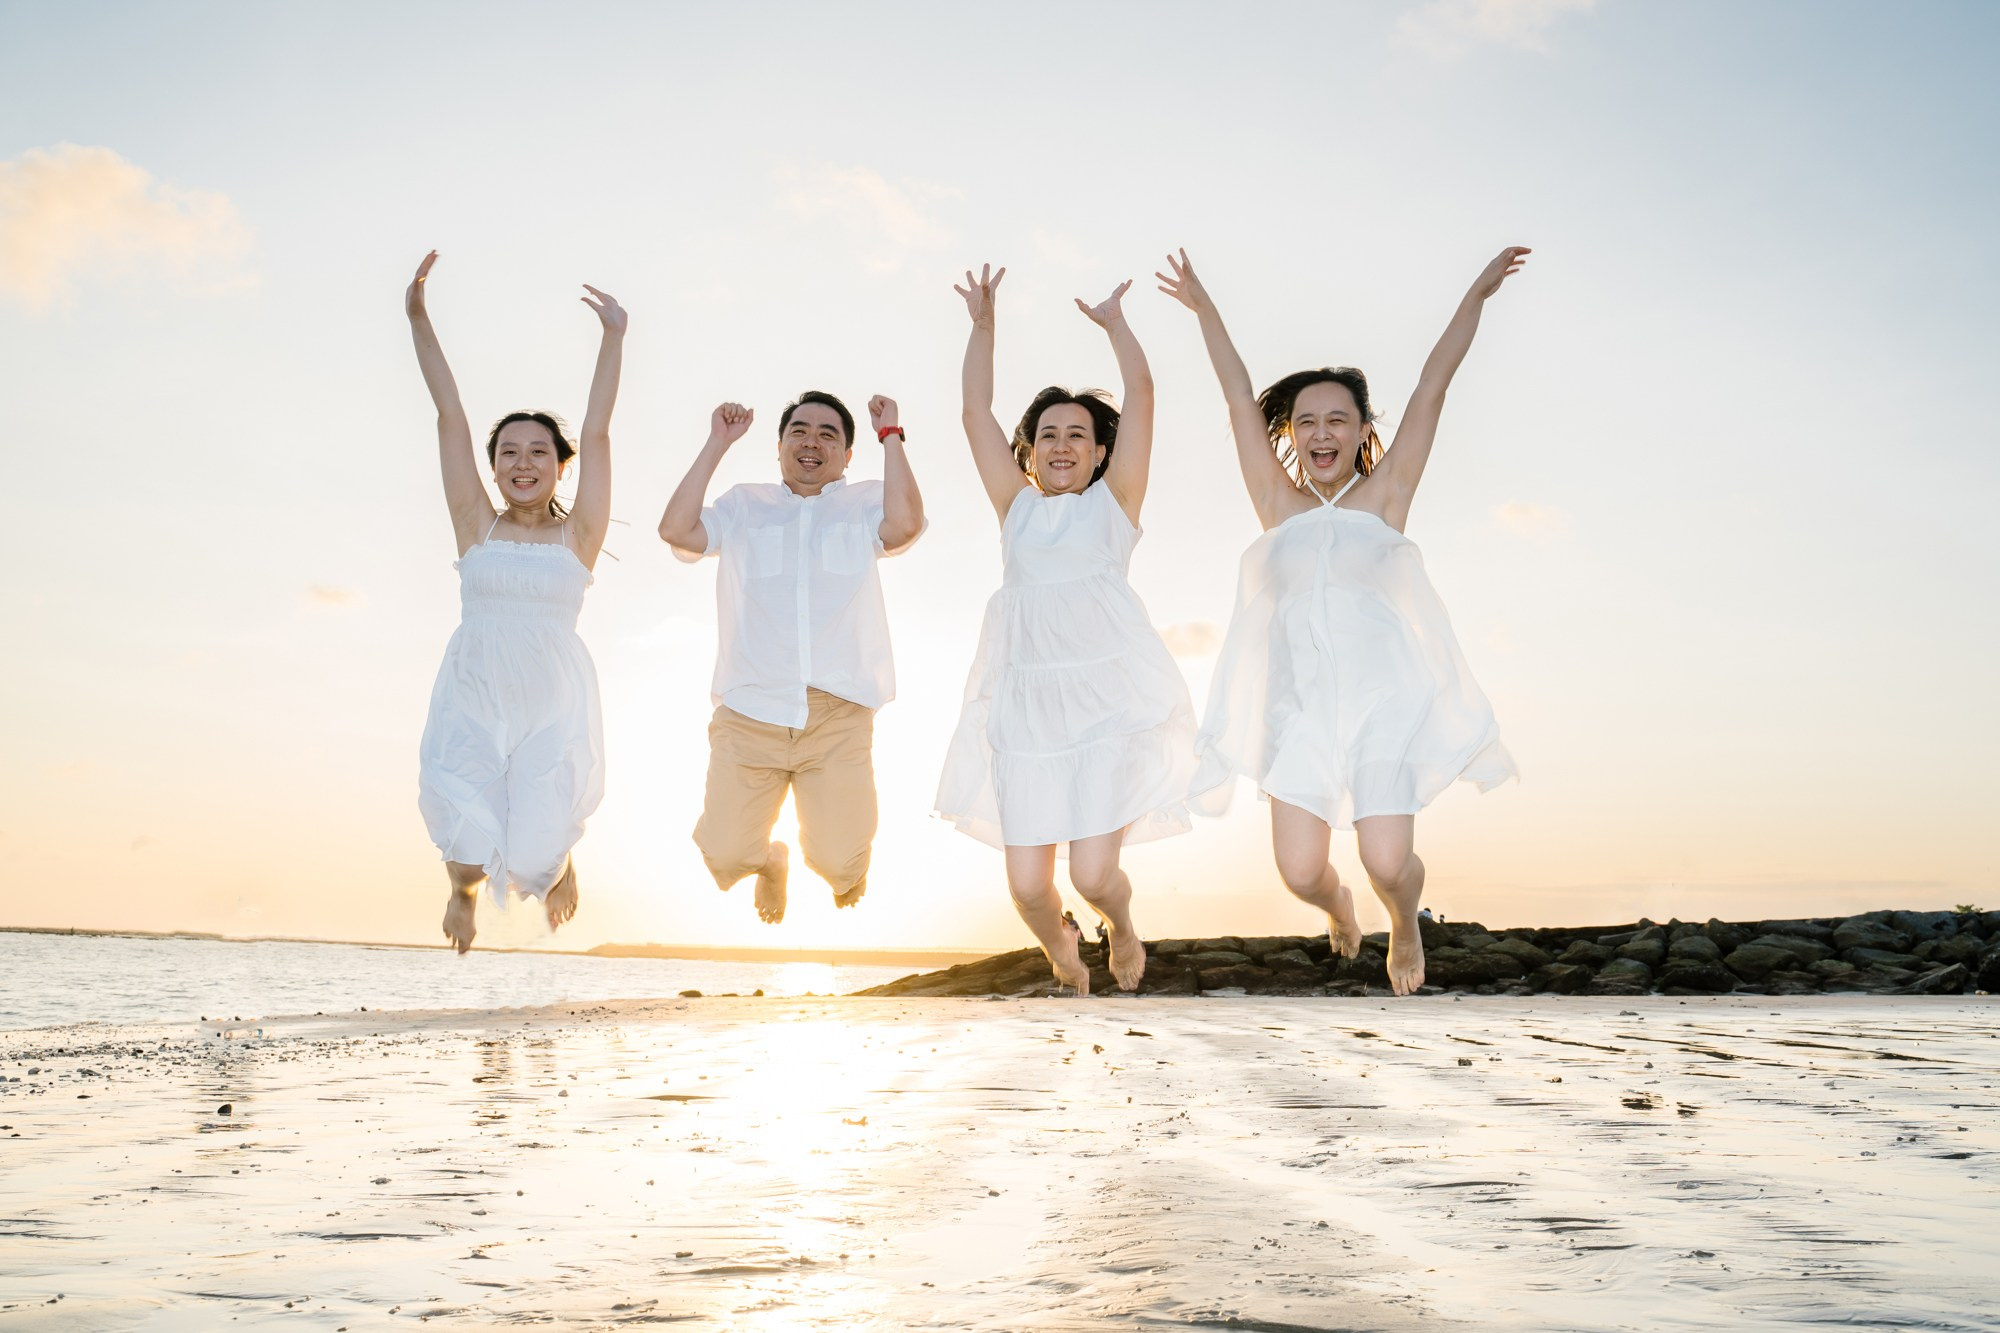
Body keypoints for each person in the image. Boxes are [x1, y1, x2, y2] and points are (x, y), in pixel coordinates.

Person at [1159, 246, 1527, 996]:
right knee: (1300, 872)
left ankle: (1404, 917)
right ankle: (1339, 906)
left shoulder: (1386, 497)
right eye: (1306, 422)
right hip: (1297, 714)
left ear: (1361, 430)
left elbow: (1432, 386)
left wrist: (1477, 294)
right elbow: (1237, 396)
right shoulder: (1277, 506)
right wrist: (1204, 307)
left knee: (1388, 859)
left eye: (1337, 419)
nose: (1320, 432)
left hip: (1382, 706)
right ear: (1291, 436)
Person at [935, 264, 1199, 995]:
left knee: (1092, 874)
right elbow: (973, 412)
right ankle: (1061, 945)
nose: (1061, 444)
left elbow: (1142, 393)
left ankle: (1123, 923)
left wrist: (1116, 323)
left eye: (1077, 435)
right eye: (1047, 434)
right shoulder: (1015, 509)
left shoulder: (1114, 506)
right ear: (1029, 452)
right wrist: (983, 326)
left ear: (1100, 452)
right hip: (1027, 715)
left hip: (1104, 712)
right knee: (1027, 887)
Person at [406, 251, 625, 953]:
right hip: (476, 685)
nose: (522, 462)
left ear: (560, 466)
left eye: (538, 452)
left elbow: (598, 431)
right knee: (468, 838)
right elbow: (449, 415)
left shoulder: (578, 535)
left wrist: (614, 338)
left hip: (551, 697)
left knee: (533, 859)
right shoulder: (476, 523)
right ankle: (461, 892)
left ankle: (562, 860)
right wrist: (417, 315)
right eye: (508, 452)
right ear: (494, 466)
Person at [659, 390, 924, 924]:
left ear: (848, 455)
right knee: (725, 856)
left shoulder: (865, 503)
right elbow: (676, 530)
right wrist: (717, 443)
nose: (812, 442)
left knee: (839, 863)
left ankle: (842, 869)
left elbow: (905, 526)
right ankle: (770, 861)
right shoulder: (744, 505)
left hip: (837, 713)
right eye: (799, 431)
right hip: (750, 711)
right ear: (779, 446)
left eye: (829, 435)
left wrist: (891, 435)